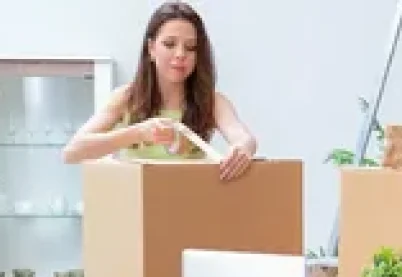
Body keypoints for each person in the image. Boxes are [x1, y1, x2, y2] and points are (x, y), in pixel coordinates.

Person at [62, 1, 257, 181]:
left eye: (190, 47)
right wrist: (138, 133)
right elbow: (72, 151)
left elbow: (243, 137)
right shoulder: (126, 98)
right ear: (151, 48)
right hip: (137, 205)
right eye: (169, 44)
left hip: (191, 202)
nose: (180, 54)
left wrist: (242, 148)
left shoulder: (212, 102)